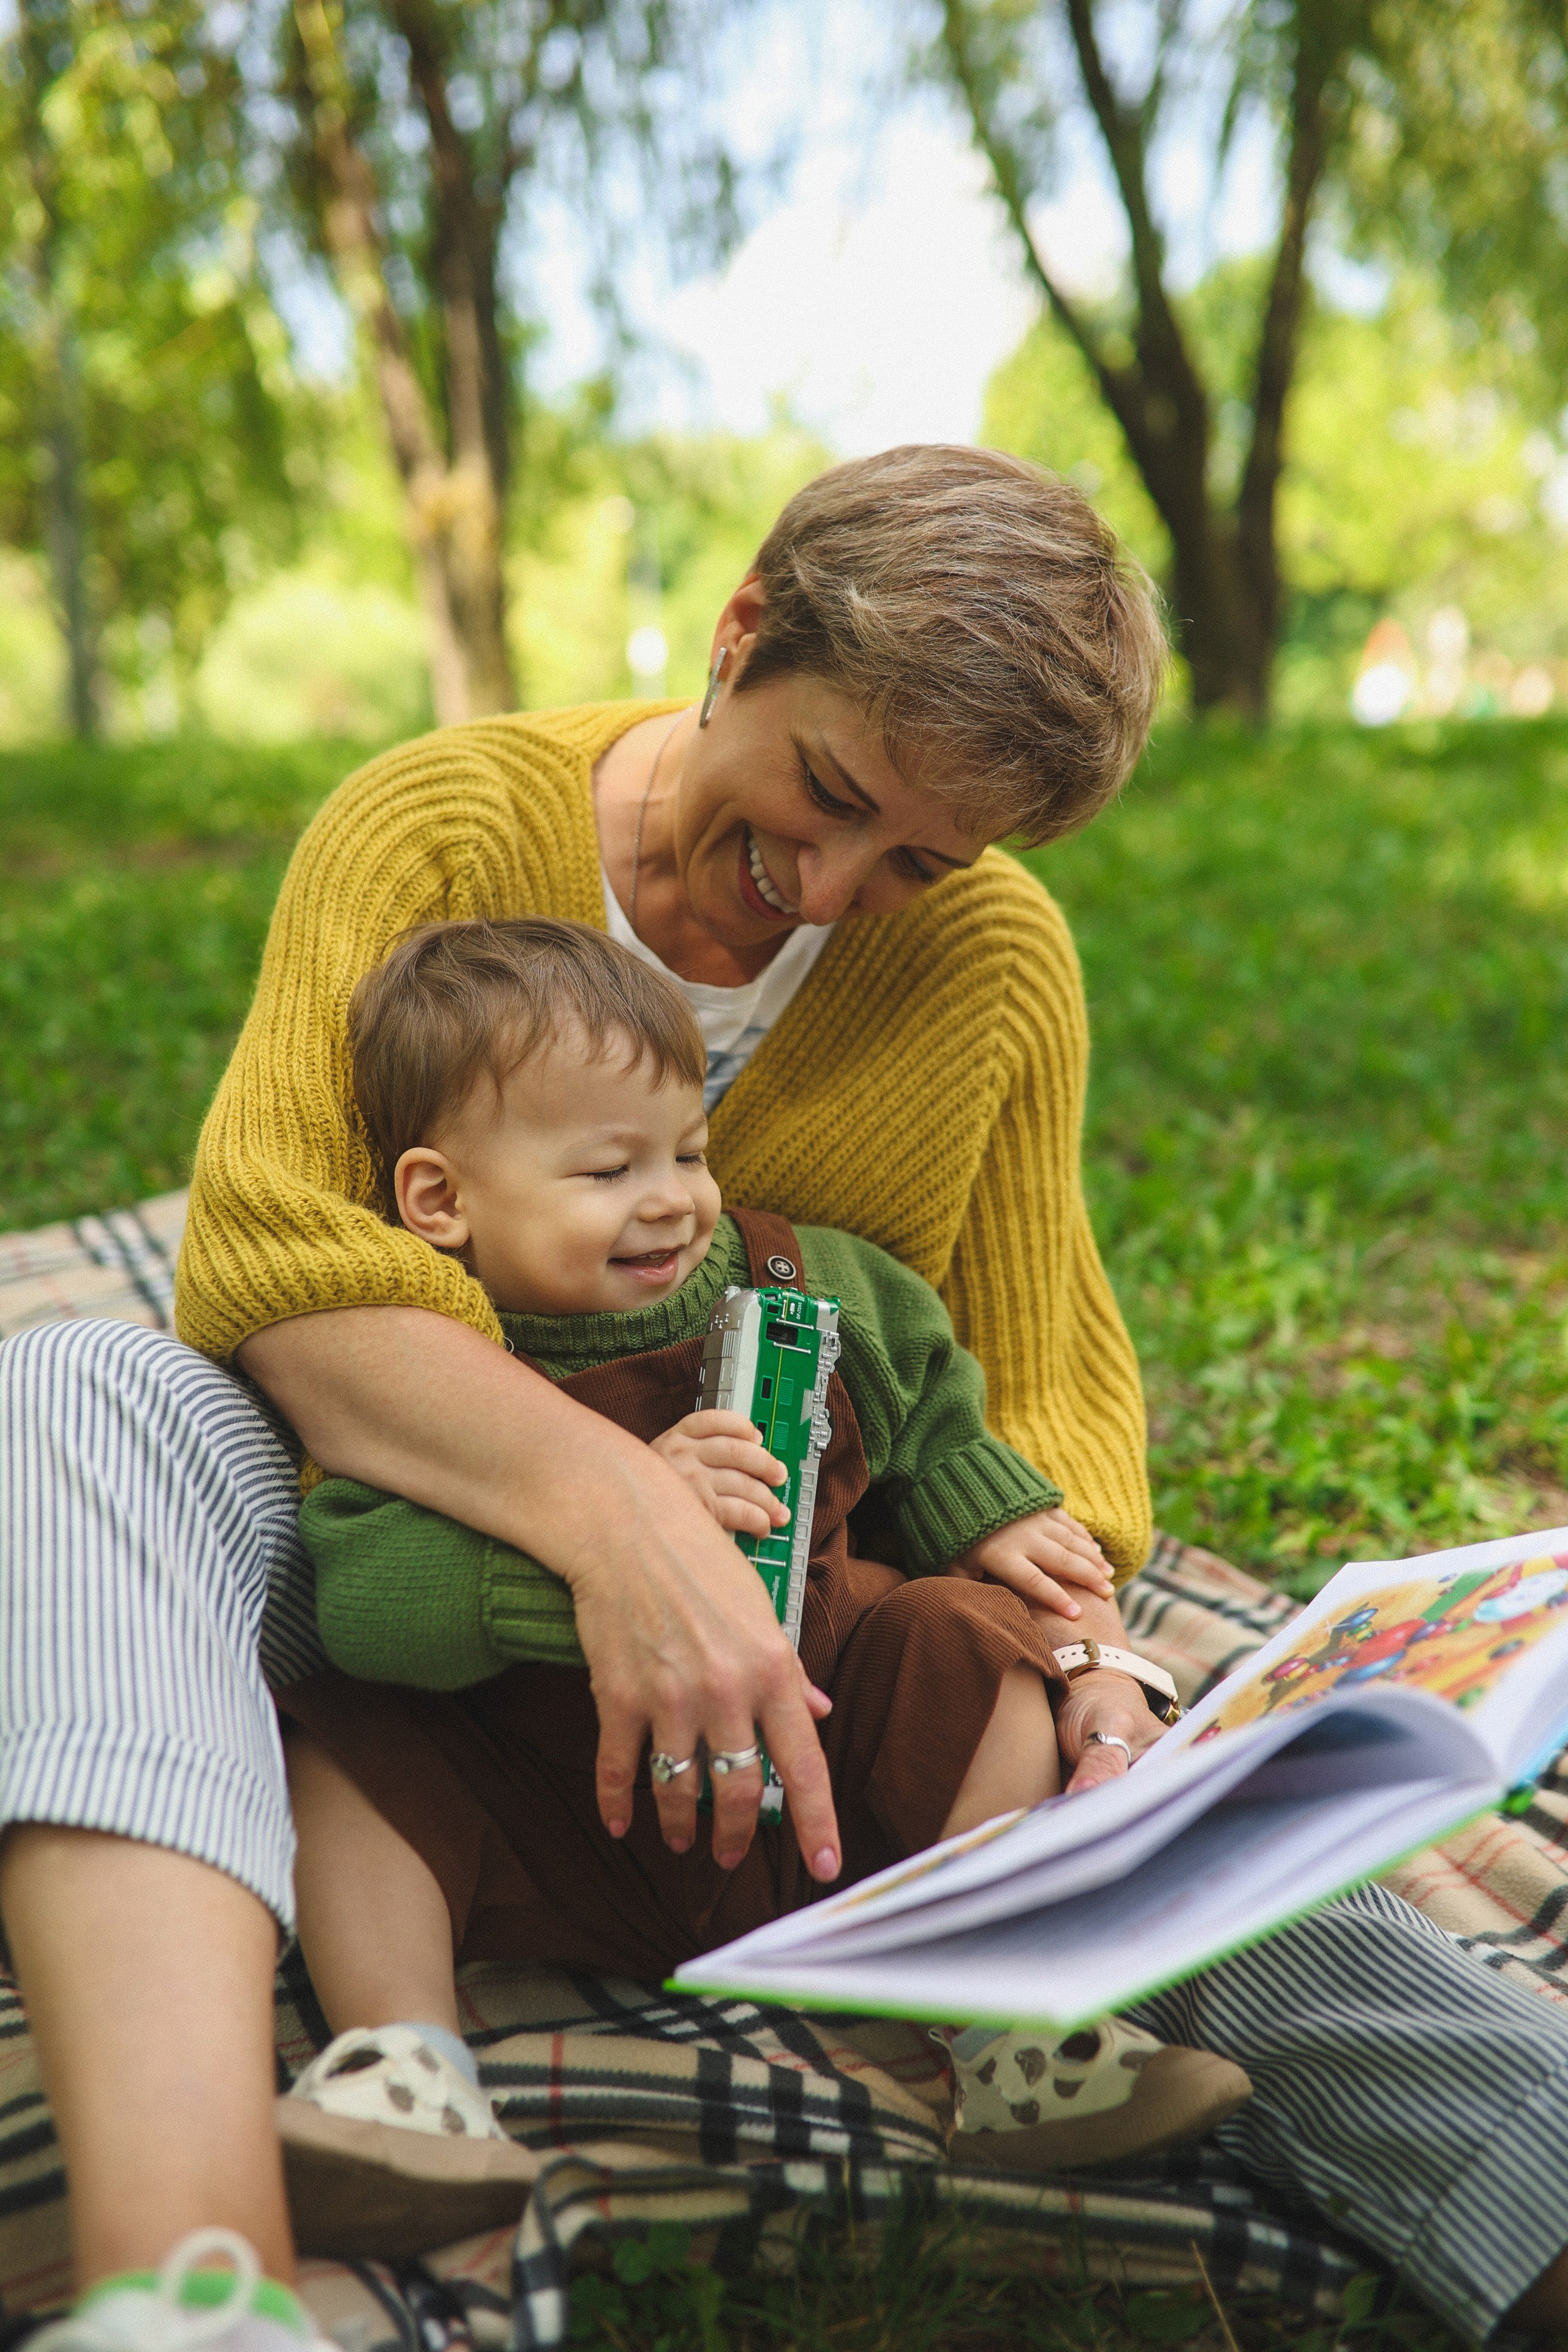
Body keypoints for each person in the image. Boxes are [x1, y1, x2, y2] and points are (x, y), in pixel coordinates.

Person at [1, 444, 1566, 2348]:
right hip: (400, 1541)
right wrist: (624, 1527)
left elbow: (1029, 1394)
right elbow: (275, 1264)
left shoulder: (991, 964)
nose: (830, 887)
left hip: (809, 1640)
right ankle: (193, 2286)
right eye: (829, 791)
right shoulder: (437, 828)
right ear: (743, 633)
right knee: (75, 1396)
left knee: (1178, 1824)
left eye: (919, 860)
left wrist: (1093, 1667)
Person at [272, 916, 1248, 2251]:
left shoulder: (814, 1285)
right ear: (440, 1202)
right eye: (608, 1168)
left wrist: (999, 1526)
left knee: (964, 1637)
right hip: (562, 1819)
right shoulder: (426, 1364)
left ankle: (1014, 2032)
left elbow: (939, 1423)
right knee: (344, 1739)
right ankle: (404, 2074)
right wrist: (591, 1554)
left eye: (688, 1151)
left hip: (835, 1798)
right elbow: (365, 1601)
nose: (672, 1198)